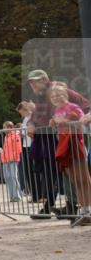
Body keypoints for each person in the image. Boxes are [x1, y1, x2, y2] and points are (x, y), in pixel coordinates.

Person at [49, 82, 91, 218]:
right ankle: (84, 210)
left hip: (76, 145)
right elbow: (60, 126)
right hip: (64, 147)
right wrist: (54, 122)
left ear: (66, 94)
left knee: (83, 179)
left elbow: (82, 121)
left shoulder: (73, 106)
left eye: (59, 94)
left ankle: (88, 209)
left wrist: (65, 120)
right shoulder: (56, 110)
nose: (56, 98)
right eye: (53, 96)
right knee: (75, 180)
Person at [1, 120, 22, 203]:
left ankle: (17, 195)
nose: (3, 129)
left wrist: (13, 156)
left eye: (4, 127)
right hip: (6, 159)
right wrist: (3, 156)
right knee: (7, 177)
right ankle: (12, 196)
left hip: (13, 159)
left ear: (9, 127)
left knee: (14, 177)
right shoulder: (6, 136)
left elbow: (18, 148)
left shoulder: (15, 135)